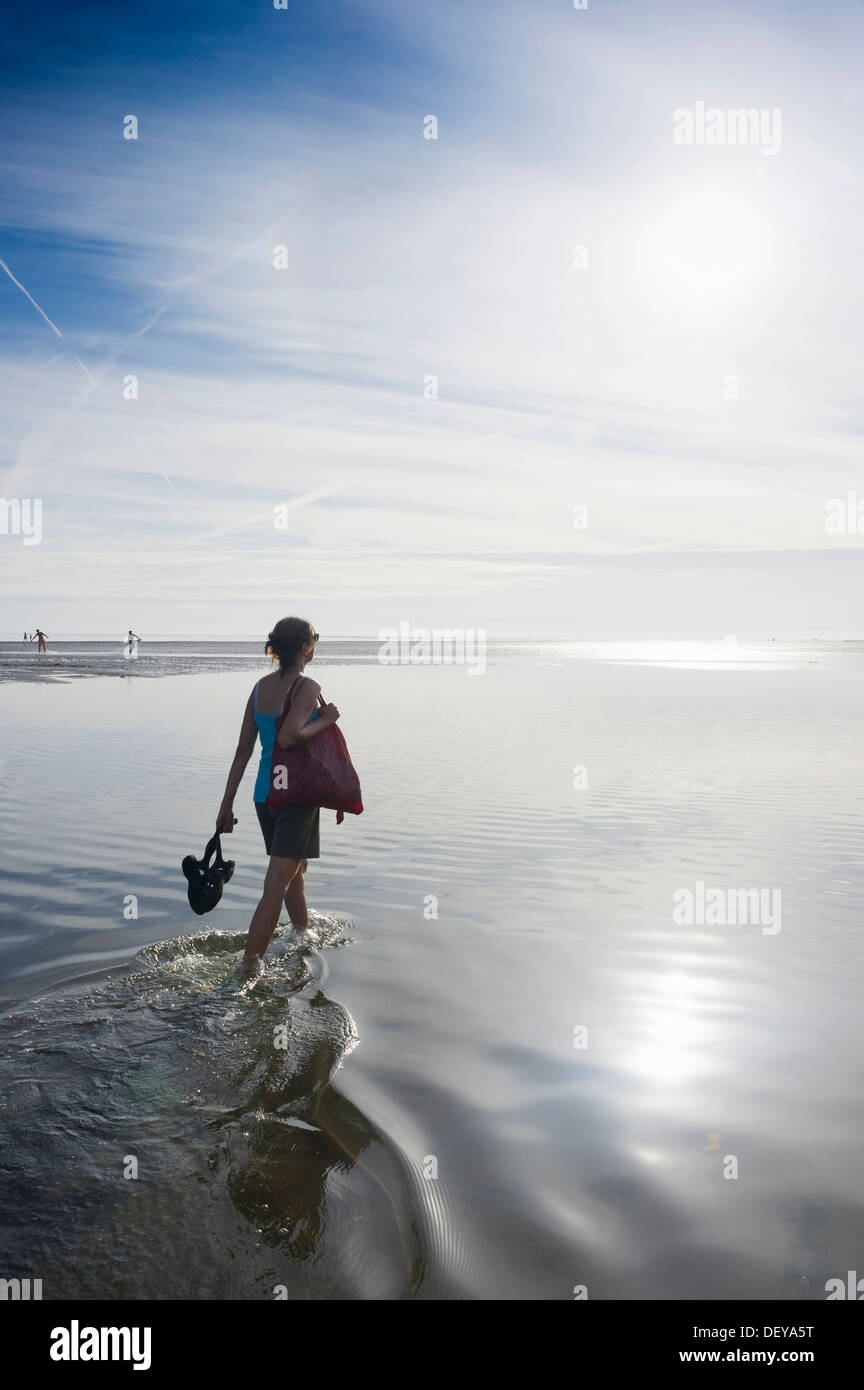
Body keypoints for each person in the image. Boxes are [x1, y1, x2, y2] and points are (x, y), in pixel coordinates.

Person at [216, 617, 340, 970]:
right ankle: (249, 967)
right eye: (314, 641)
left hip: (264, 797)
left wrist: (226, 806)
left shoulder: (259, 688)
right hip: (295, 797)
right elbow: (291, 736)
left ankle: (303, 933)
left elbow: (243, 750)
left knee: (295, 871)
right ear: (304, 648)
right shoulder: (307, 686)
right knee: (276, 885)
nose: (315, 646)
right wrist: (326, 719)